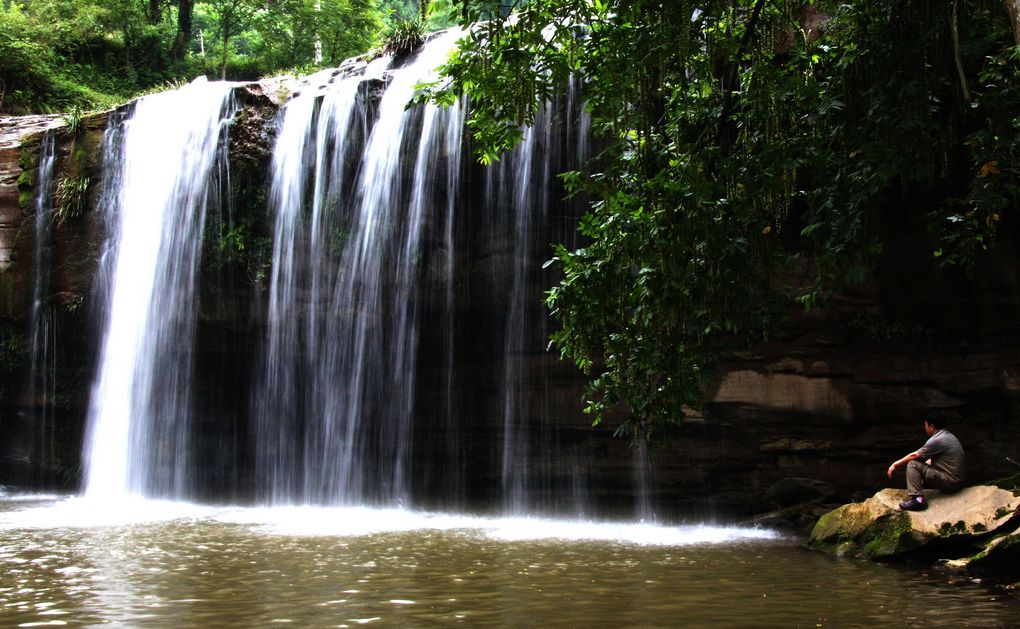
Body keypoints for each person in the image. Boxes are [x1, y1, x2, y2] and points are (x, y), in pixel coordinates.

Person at [886, 412, 965, 511]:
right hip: (956, 481)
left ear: (932, 426)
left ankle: (918, 500)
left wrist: (895, 464)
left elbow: (914, 455)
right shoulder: (949, 436)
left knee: (913, 464)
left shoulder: (937, 440)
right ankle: (919, 491)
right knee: (928, 461)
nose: (925, 428)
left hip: (950, 482)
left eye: (926, 425)